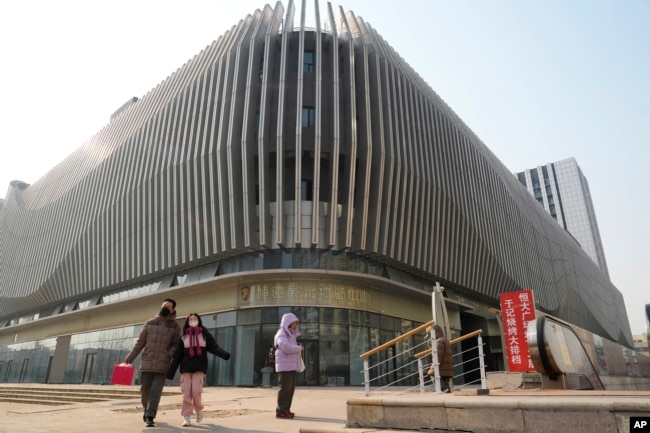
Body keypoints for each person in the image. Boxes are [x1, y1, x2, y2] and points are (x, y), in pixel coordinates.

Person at [125, 298, 181, 427]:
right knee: (145, 390)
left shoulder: (175, 326)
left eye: (168, 306)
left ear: (172, 310)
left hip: (162, 364)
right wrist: (130, 358)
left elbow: (176, 345)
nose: (165, 308)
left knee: (156, 390)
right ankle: (146, 408)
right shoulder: (149, 323)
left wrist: (169, 354)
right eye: (163, 305)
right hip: (147, 362)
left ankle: (150, 415)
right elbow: (140, 343)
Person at [167, 313, 231, 427]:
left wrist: (224, 355)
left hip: (199, 368)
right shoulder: (184, 337)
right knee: (186, 393)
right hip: (186, 368)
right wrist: (170, 372)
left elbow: (214, 347)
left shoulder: (204, 335)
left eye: (194, 318)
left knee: (196, 391)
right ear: (187, 322)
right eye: (190, 319)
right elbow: (177, 356)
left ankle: (198, 410)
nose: (192, 320)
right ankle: (186, 417)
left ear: (199, 320)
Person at [273, 312, 303, 419]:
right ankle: (281, 411)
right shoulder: (281, 333)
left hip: (290, 366)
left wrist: (297, 347)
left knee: (290, 389)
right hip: (285, 367)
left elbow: (290, 346)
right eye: (294, 323)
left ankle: (286, 409)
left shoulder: (290, 334)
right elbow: (286, 347)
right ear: (288, 323)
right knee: (285, 388)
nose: (296, 325)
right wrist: (299, 348)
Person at [427, 324, 453, 393]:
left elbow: (438, 356)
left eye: (430, 335)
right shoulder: (445, 340)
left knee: (433, 375)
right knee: (445, 381)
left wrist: (434, 366)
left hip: (441, 366)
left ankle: (443, 389)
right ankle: (446, 391)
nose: (430, 337)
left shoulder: (439, 341)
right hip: (447, 367)